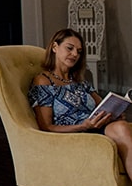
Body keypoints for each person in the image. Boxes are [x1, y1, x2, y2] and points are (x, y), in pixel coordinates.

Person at [30, 28, 132, 175]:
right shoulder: (43, 81)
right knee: (122, 128)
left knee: (121, 126)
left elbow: (102, 105)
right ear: (54, 47)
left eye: (79, 51)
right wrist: (82, 125)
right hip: (75, 133)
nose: (75, 54)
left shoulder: (80, 81)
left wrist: (114, 114)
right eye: (69, 48)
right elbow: (46, 127)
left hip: (96, 127)